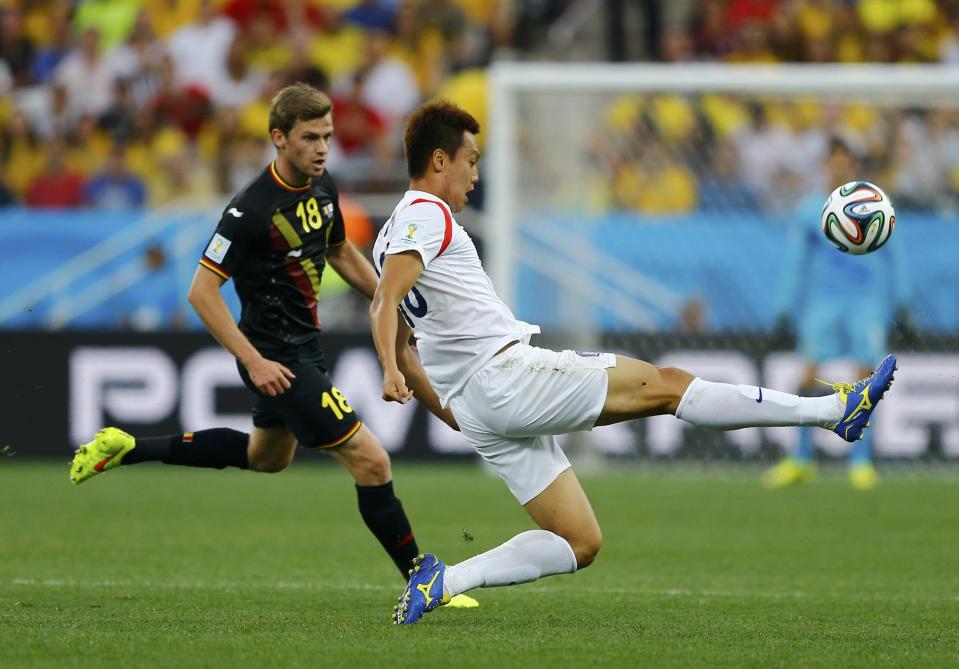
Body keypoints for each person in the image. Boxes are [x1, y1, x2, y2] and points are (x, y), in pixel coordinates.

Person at [368, 100, 897, 625]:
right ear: (440, 161)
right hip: (508, 377)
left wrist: (410, 373)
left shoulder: (388, 232)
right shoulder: (426, 212)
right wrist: (392, 371)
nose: (476, 175)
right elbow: (384, 301)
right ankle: (832, 410)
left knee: (579, 541)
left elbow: (416, 352)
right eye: (471, 160)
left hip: (478, 405)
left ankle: (445, 580)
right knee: (667, 385)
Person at [68, 83, 476, 607]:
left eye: (327, 136)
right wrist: (253, 360)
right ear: (278, 139)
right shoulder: (250, 210)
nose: (322, 147)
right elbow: (202, 291)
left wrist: (389, 301)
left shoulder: (323, 186)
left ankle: (126, 447)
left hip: (302, 349)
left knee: (266, 457)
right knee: (372, 462)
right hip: (277, 359)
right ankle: (424, 580)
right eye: (310, 137)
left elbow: (341, 253)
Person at [763, 138, 911, 491]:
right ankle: (801, 459)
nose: (838, 168)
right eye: (833, 162)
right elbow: (795, 262)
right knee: (809, 374)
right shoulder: (810, 209)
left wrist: (904, 302)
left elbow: (896, 256)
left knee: (865, 377)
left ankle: (860, 462)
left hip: (866, 301)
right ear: (826, 165)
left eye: (844, 161)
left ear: (852, 165)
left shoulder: (875, 204)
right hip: (824, 302)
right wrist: (784, 308)